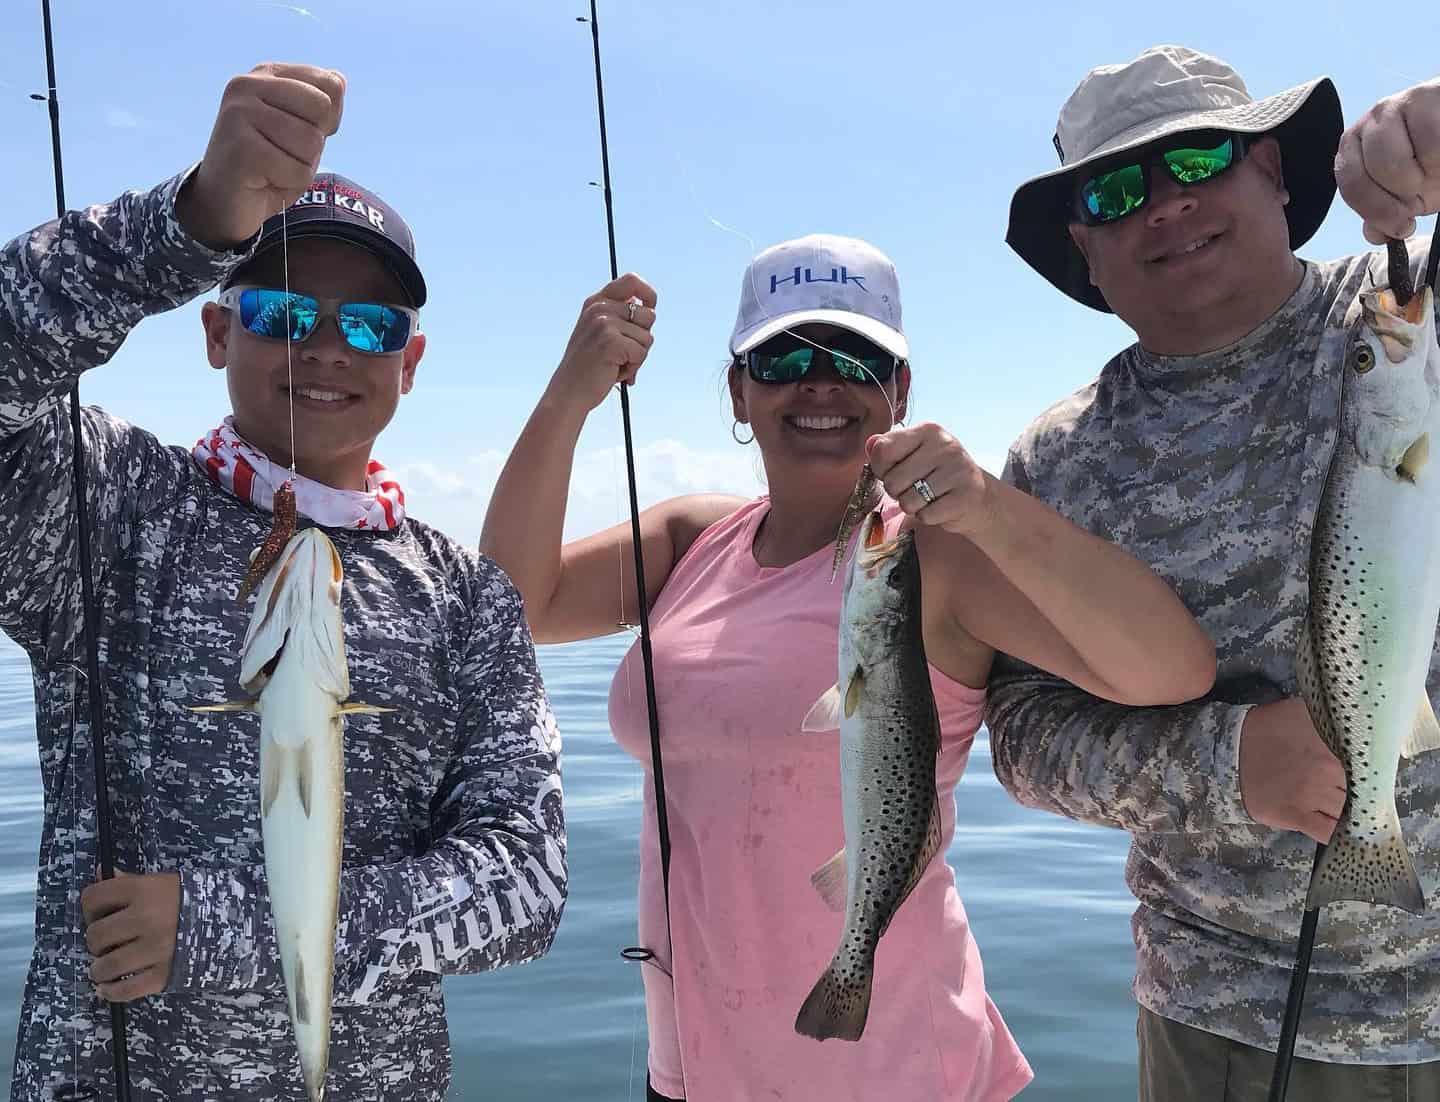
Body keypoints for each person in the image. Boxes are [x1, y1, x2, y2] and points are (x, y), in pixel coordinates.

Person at [479, 231, 1217, 1100]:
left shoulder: (941, 558)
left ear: (899, 390)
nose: (820, 380)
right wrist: (572, 395)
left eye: (857, 356)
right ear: (739, 393)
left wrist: (990, 507)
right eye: (784, 356)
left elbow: (1171, 671)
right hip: (696, 1063)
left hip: (892, 1063)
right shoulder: (689, 543)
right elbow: (509, 607)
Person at [1, 63, 565, 1100]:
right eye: (280, 309)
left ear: (411, 359)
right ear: (218, 330)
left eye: (369, 327)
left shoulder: (466, 598)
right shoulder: (108, 505)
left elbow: (524, 882)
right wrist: (187, 225)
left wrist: (222, 926)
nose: (324, 347)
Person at [990, 43, 1440, 1100]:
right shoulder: (1055, 464)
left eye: (1198, 160)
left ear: (1278, 174)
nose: (1165, 206)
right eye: (1116, 189)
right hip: (1217, 1018)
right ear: (1084, 249)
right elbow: (1020, 735)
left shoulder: (1397, 316)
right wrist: (1224, 764)